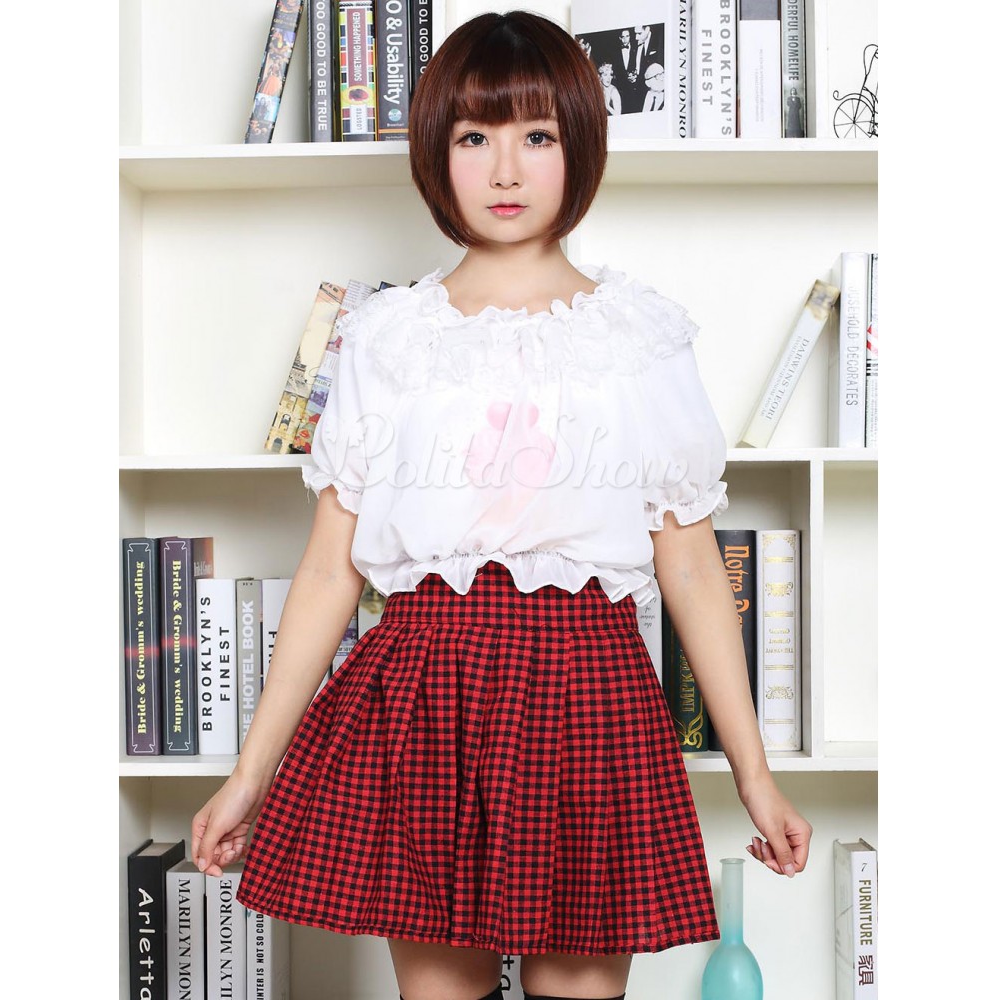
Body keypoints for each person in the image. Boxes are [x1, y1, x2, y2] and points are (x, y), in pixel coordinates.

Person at [191, 12, 812, 1000]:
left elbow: (692, 567)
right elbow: (326, 571)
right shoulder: (388, 335)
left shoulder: (638, 335)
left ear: (580, 145)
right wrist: (248, 775)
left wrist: (755, 775)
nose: (506, 170)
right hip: (425, 695)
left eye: (538, 135)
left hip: (588, 694)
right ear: (437, 154)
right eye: (475, 136)